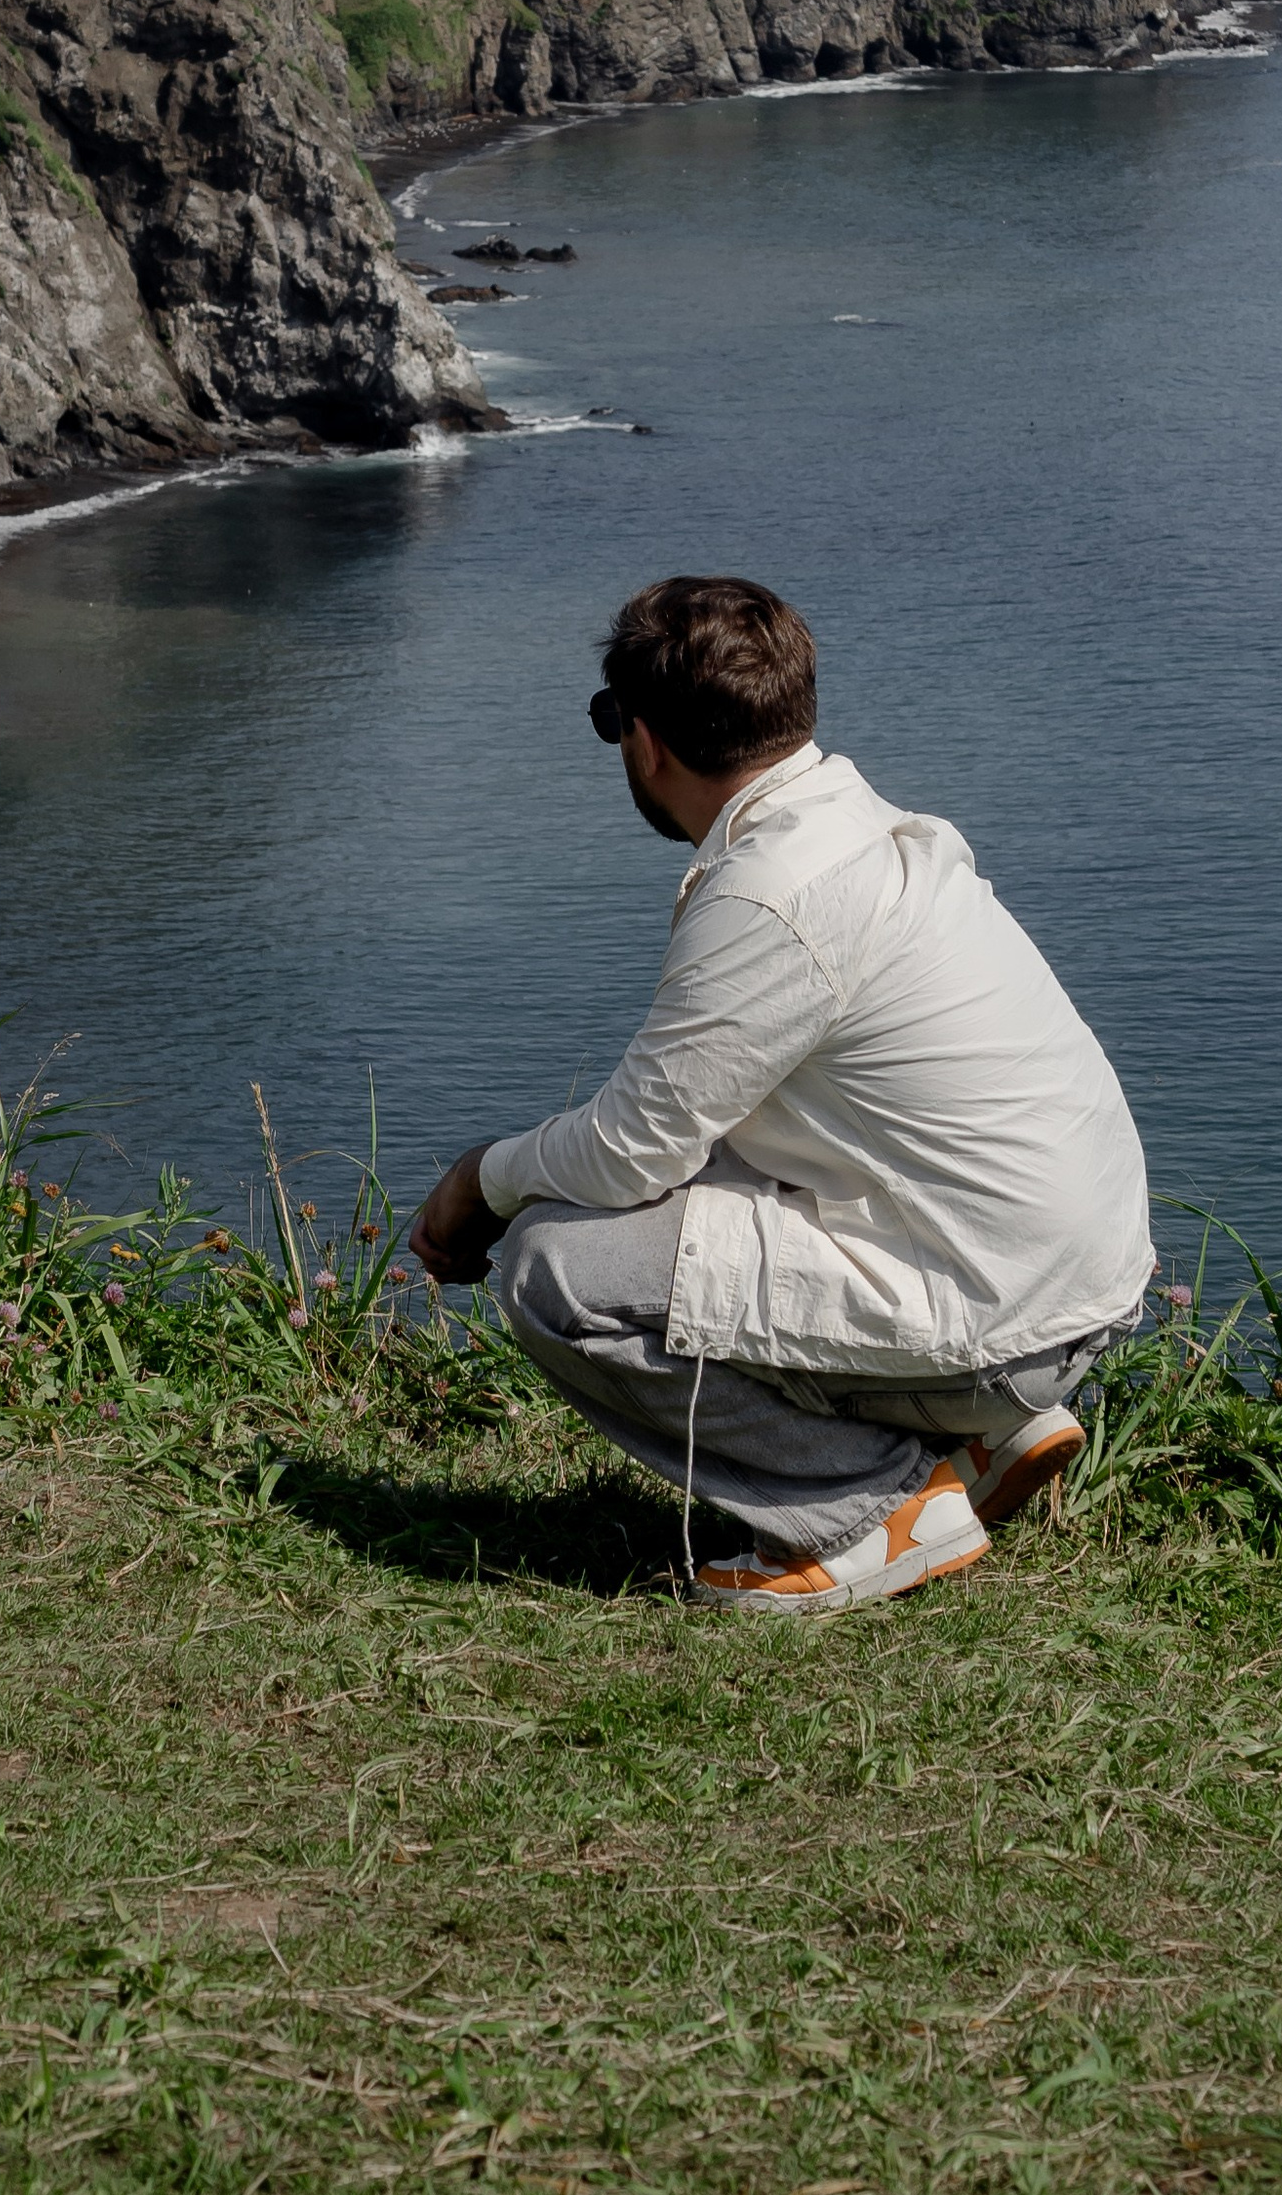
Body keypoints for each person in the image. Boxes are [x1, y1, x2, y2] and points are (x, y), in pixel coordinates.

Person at [408, 575, 1152, 1613]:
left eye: (609, 721)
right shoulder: (854, 824)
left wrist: (479, 1180)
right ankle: (971, 1441)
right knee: (683, 1187)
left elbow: (630, 1150)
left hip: (1005, 1323)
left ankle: (869, 1510)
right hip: (1062, 1286)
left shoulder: (772, 892)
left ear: (644, 743)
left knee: (552, 1268)